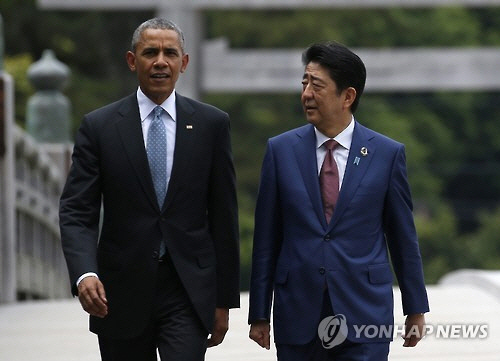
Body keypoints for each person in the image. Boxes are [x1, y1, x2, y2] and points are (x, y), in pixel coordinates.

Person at [59, 18, 239, 361]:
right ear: (132, 60)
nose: (160, 61)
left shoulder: (211, 124)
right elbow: (77, 211)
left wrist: (224, 301)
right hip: (119, 291)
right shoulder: (99, 127)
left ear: (183, 63)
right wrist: (85, 272)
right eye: (150, 52)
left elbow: (223, 216)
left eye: (170, 53)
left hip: (187, 288)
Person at [248, 41, 429, 361]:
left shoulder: (386, 154)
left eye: (316, 85)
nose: (306, 94)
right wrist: (259, 313)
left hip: (364, 314)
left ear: (347, 96)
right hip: (298, 314)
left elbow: (403, 237)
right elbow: (266, 239)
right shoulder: (280, 151)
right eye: (304, 83)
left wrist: (415, 309)